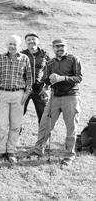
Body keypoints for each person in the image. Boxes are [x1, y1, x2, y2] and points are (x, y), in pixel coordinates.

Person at [29, 38, 82, 166]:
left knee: (71, 127)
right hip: (55, 97)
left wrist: (62, 78)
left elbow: (79, 77)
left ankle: (69, 155)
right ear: (53, 48)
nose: (60, 48)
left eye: (62, 46)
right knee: (45, 123)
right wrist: (45, 85)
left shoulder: (73, 59)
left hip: (71, 96)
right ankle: (38, 149)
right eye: (57, 46)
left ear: (66, 47)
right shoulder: (50, 63)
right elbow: (46, 80)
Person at [0, 35, 32, 164]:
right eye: (10, 44)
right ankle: (0, 150)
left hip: (18, 95)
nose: (12, 46)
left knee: (15, 125)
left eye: (15, 44)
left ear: (19, 46)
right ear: (6, 45)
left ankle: (11, 150)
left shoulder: (25, 58)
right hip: (3, 93)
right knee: (2, 125)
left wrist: (26, 93)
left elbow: (29, 78)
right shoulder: (0, 58)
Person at [21, 32, 50, 123]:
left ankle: (44, 137)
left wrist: (46, 87)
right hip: (24, 89)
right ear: (26, 42)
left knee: (43, 115)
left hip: (40, 89)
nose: (31, 41)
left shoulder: (44, 55)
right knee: (19, 114)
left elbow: (50, 71)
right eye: (29, 39)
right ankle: (15, 135)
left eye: (33, 39)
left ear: (38, 41)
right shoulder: (21, 54)